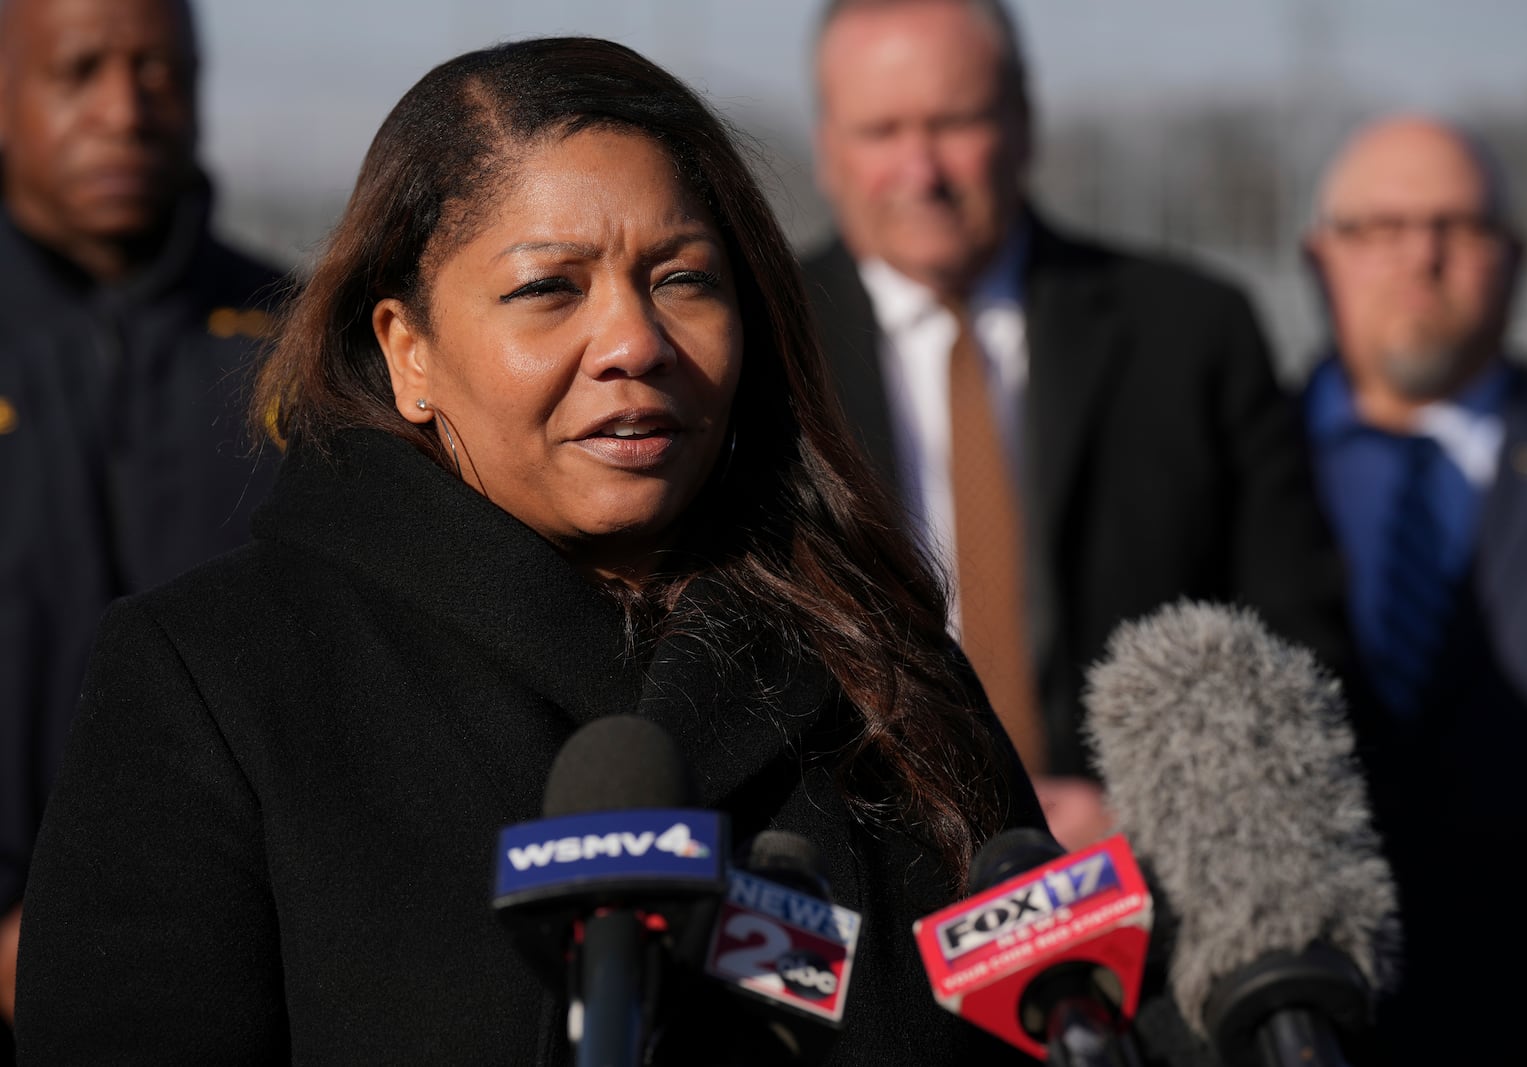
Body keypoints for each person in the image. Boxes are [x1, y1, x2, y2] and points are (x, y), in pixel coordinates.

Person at [13, 36, 1046, 1063]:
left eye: (682, 278)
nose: (634, 342)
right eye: (549, 288)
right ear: (405, 349)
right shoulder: (216, 678)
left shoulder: (873, 657)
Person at [802, 0, 1352, 847]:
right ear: (827, 147)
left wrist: (1153, 812)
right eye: (881, 130)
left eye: (954, 122)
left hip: (1136, 891)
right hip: (863, 895)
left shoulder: (1193, 334)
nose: (921, 169)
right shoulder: (757, 352)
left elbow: (1294, 639)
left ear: (1025, 121)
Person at [0, 0, 283, 1046]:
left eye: (159, 71)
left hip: (237, 969)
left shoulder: (300, 354)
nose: (125, 109)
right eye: (80, 72)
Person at [1300, 114, 1527, 1065]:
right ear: (1319, 258)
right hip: (1303, 1016)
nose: (1421, 258)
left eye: (1459, 228)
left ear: (1515, 257)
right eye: (1380, 228)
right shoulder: (1229, 461)